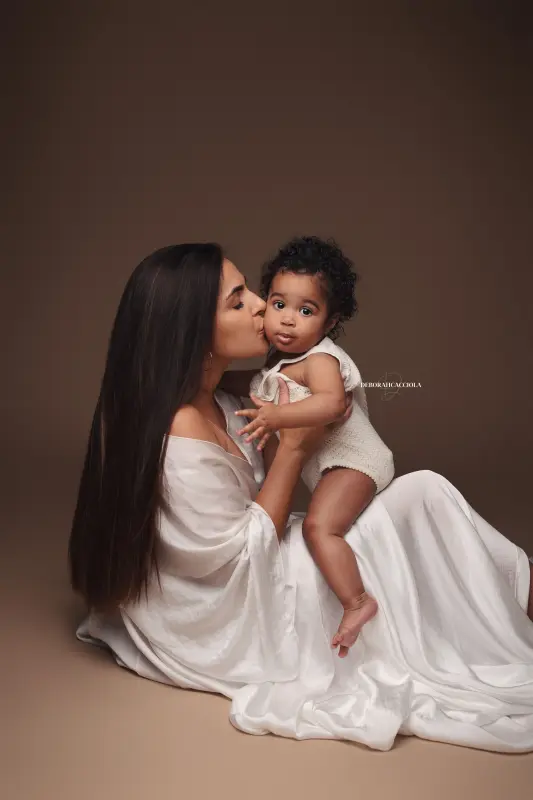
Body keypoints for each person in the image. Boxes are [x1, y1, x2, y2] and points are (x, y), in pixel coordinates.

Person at [69, 243, 533, 753]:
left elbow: (320, 399)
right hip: (241, 604)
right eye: (238, 300)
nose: (263, 309)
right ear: (191, 330)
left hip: (268, 550)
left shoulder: (225, 400)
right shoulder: (180, 429)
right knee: (417, 501)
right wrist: (293, 449)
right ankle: (512, 600)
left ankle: (518, 594)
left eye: (251, 292)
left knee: (423, 497)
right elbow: (235, 562)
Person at [221, 236, 394, 656]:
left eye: (306, 311)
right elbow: (250, 384)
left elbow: (333, 403)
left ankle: (357, 601)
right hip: (334, 466)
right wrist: (204, 380)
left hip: (356, 462)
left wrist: (277, 417)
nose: (287, 321)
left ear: (329, 322)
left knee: (320, 528)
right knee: (320, 524)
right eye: (279, 304)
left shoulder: (321, 359)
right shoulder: (277, 365)